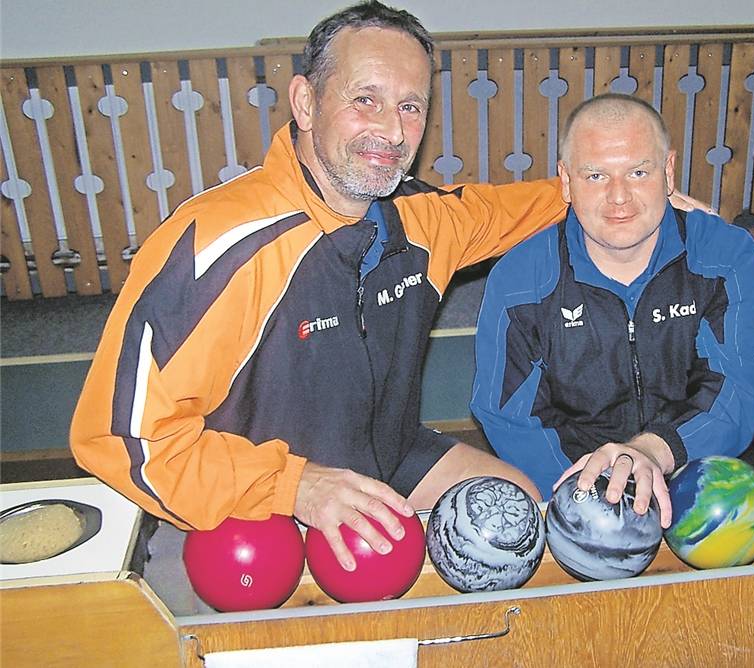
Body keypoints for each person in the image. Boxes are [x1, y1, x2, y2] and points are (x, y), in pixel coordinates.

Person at [70, 2, 706, 573]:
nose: (394, 131)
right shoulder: (217, 244)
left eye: (411, 106)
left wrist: (620, 192)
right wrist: (296, 488)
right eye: (365, 99)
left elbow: (520, 207)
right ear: (305, 102)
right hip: (267, 494)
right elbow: (120, 439)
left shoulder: (418, 219)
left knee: (528, 515)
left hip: (387, 454)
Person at [471, 93, 754, 528]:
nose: (619, 198)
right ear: (565, 181)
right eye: (596, 175)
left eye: (638, 172)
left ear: (668, 172)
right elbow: (508, 416)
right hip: (580, 473)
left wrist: (653, 452)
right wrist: (591, 488)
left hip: (695, 453)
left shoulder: (725, 254)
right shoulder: (520, 279)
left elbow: (739, 387)